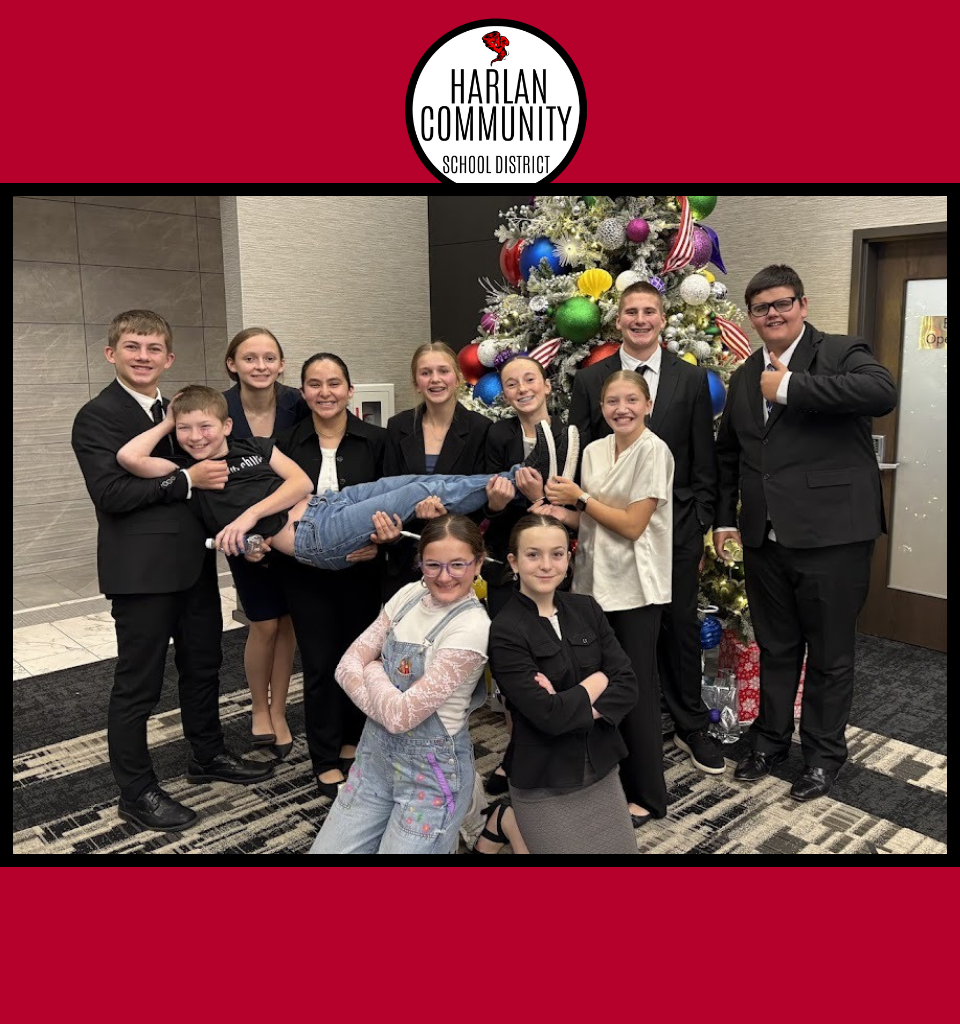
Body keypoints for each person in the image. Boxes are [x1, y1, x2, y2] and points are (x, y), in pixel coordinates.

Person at [70, 310, 273, 834]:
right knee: (138, 686)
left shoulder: (182, 410)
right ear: (111, 353)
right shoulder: (97, 416)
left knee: (204, 667)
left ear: (169, 358)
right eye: (133, 347)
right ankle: (135, 791)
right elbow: (111, 493)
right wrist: (185, 480)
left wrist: (245, 535)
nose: (143, 357)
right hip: (140, 575)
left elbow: (222, 484)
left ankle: (207, 754)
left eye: (153, 348)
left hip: (195, 565)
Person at [714, 265, 898, 801]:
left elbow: (880, 392)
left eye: (782, 303)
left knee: (830, 654)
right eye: (761, 307)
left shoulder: (839, 352)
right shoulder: (745, 375)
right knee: (776, 647)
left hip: (833, 537)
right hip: (765, 538)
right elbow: (730, 456)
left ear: (802, 305)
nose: (772, 314)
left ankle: (822, 756)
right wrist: (725, 518)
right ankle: (771, 741)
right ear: (751, 317)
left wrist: (791, 386)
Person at [118, 385, 558, 573]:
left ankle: (518, 477)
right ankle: (521, 477)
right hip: (313, 536)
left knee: (406, 480)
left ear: (226, 425)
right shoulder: (187, 472)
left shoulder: (252, 447)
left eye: (205, 426)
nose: (196, 436)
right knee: (419, 490)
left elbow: (301, 485)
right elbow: (129, 457)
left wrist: (248, 516)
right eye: (186, 429)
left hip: (325, 505)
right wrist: (170, 419)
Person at [570, 282, 723, 775]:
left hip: (673, 530)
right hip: (610, 533)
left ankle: (689, 724)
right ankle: (615, 728)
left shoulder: (690, 378)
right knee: (614, 633)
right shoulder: (590, 380)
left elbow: (703, 457)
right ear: (618, 320)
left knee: (679, 627)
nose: (640, 319)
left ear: (662, 318)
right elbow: (580, 456)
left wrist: (700, 521)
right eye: (631, 312)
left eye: (649, 311)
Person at [310, 516, 492, 854]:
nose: (444, 576)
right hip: (373, 763)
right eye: (433, 565)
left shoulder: (472, 626)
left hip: (430, 779)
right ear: (420, 562)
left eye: (457, 565)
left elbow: (400, 717)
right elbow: (345, 667)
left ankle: (464, 805)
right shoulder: (408, 595)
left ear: (478, 563)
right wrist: (387, 698)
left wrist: (372, 669)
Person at [545, 370, 674, 825]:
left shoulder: (655, 451)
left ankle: (650, 796)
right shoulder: (595, 450)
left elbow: (633, 525)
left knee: (635, 691)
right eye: (612, 402)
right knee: (596, 689)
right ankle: (607, 782)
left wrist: (578, 498)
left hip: (636, 589)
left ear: (648, 405)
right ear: (601, 409)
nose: (622, 409)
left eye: (631, 400)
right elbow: (592, 521)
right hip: (592, 585)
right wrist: (557, 511)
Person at [488, 514, 640, 854]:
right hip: (545, 781)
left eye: (556, 554)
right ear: (513, 562)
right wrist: (598, 680)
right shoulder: (505, 630)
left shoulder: (587, 608)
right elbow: (550, 717)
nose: (546, 565)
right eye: (533, 555)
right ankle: (505, 820)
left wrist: (568, 704)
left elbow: (628, 684)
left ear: (568, 559)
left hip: (601, 769)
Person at [482, 354, 580, 795]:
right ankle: (517, 754)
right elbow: (486, 509)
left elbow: (578, 505)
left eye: (529, 379)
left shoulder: (570, 435)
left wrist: (541, 497)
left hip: (556, 566)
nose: (522, 389)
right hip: (508, 566)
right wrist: (498, 503)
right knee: (514, 667)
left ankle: (551, 752)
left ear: (547, 385)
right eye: (511, 383)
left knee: (556, 663)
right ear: (504, 394)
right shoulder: (497, 435)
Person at [223, 327, 309, 755]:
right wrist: (245, 530)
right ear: (232, 364)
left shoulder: (298, 403)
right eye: (250, 358)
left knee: (288, 620)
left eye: (269, 358)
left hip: (291, 523)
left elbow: (309, 464)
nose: (260, 366)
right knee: (263, 622)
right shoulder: (219, 409)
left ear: (281, 364)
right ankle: (259, 707)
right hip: (242, 528)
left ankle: (280, 711)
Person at [382, 341, 492, 598]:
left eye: (443, 371)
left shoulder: (481, 428)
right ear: (416, 383)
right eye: (425, 373)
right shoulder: (397, 426)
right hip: (406, 559)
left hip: (456, 563)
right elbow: (387, 489)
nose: (435, 379)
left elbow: (483, 497)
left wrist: (446, 515)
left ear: (458, 378)